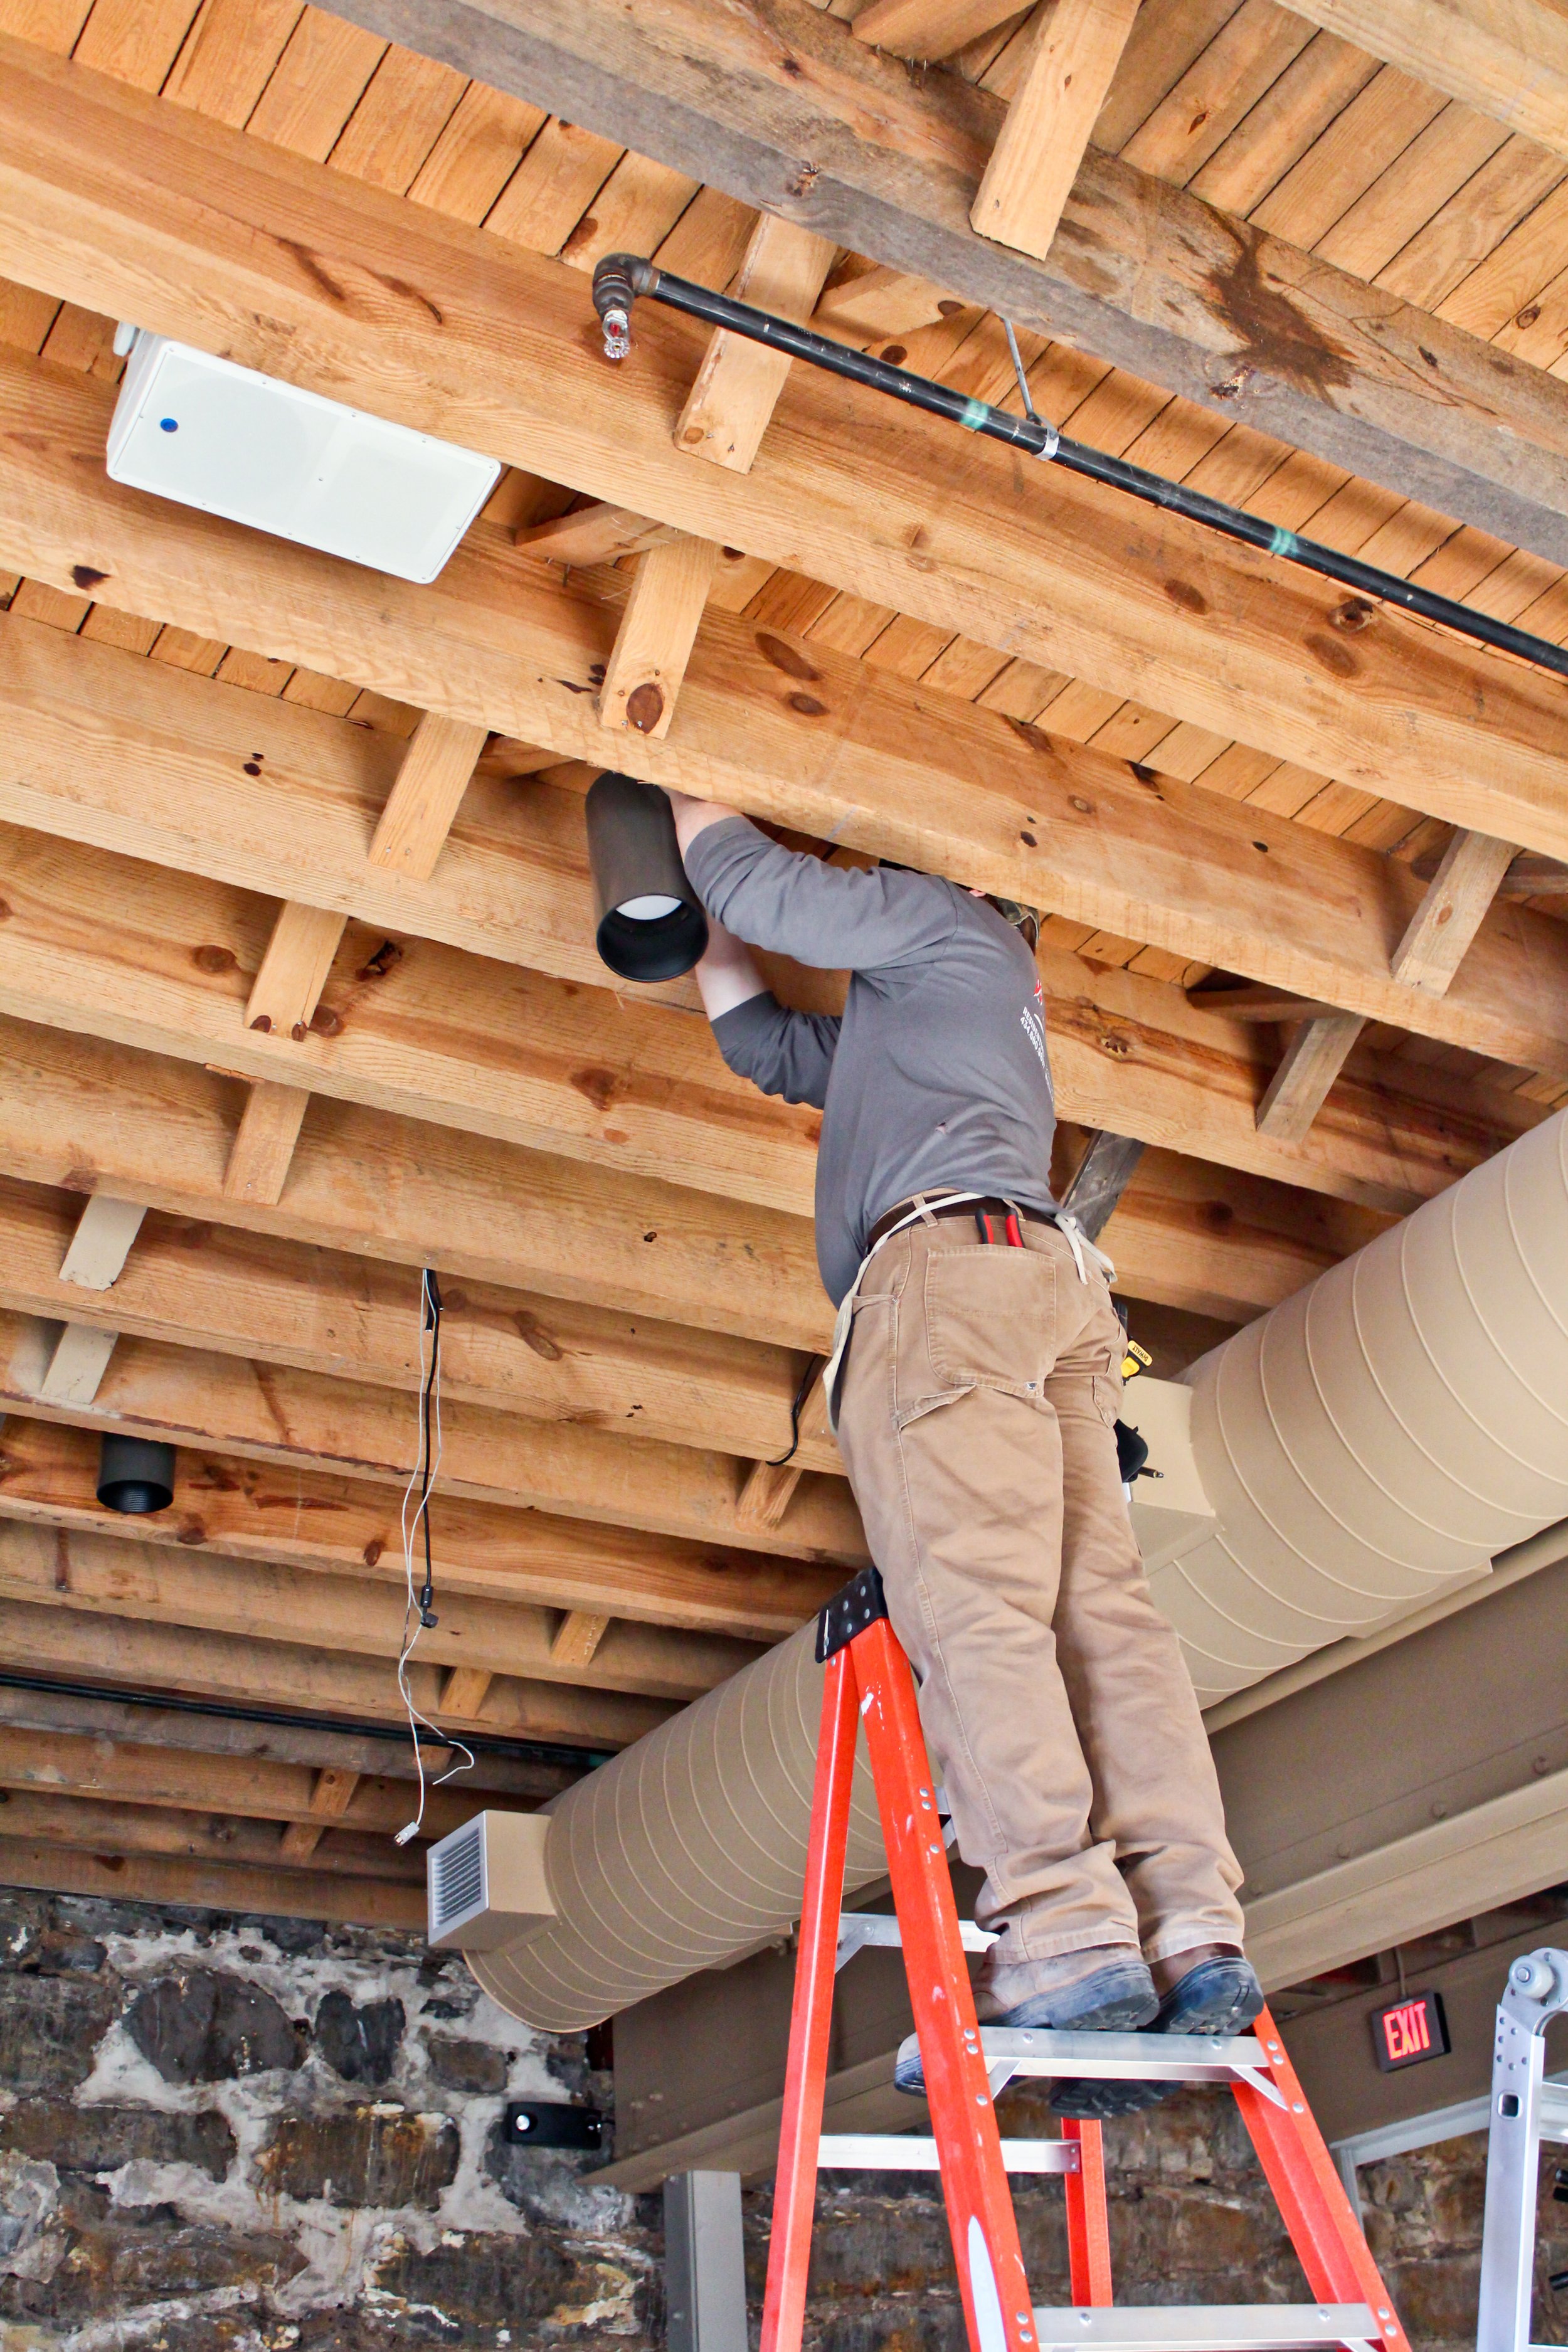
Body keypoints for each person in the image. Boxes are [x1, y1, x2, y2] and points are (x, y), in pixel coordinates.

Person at [664, 791, 1261, 2117]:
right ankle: (1187, 1933)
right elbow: (765, 1043)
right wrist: (677, 913)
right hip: (1034, 1287)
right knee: (1098, 1619)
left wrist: (661, 779)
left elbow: (759, 885)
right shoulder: (931, 1019)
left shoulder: (949, 930)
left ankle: (1063, 1937)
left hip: (949, 1283)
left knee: (981, 1611)